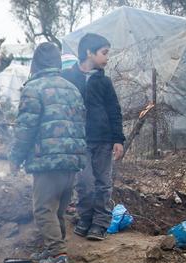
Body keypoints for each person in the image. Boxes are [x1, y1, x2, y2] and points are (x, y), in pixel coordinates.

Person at [10, 42, 87, 263]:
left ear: (35, 63)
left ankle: (58, 256)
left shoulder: (33, 89)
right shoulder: (71, 87)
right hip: (72, 160)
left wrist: (15, 157)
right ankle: (53, 249)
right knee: (58, 210)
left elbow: (25, 128)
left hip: (48, 160)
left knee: (43, 209)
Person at [62, 33, 124, 241]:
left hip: (104, 140)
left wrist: (118, 139)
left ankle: (100, 223)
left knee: (103, 182)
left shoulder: (104, 82)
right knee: (84, 182)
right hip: (80, 140)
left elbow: (114, 110)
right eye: (104, 53)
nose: (107, 58)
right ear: (89, 52)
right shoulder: (69, 78)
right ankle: (85, 217)